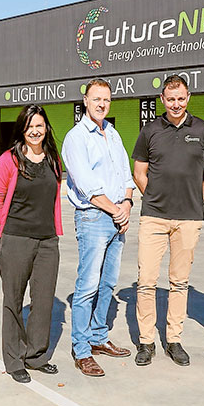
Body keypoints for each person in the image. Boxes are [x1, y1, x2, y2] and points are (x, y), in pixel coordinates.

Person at [131, 74, 204, 367]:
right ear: (162, 100)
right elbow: (139, 172)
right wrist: (155, 197)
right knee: (146, 282)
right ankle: (146, 342)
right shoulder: (150, 131)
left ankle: (174, 340)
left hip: (188, 220)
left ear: (188, 97)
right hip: (154, 217)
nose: (176, 104)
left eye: (181, 98)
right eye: (170, 99)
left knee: (179, 282)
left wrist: (196, 201)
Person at [62, 78, 135, 377]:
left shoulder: (113, 134)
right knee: (88, 286)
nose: (101, 104)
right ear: (85, 101)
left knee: (108, 284)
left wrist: (127, 204)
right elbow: (87, 186)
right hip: (93, 218)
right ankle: (82, 350)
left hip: (118, 217)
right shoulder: (76, 138)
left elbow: (126, 176)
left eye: (106, 99)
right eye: (96, 99)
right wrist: (117, 211)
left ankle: (98, 337)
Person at [0, 104, 63, 384]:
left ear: (46, 128)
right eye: (30, 126)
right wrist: (10, 229)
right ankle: (14, 359)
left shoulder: (53, 159)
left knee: (43, 301)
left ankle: (36, 356)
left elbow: (53, 199)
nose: (35, 131)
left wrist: (51, 233)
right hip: (16, 240)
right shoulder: (8, 160)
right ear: (22, 129)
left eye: (39, 125)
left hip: (48, 242)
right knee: (14, 301)